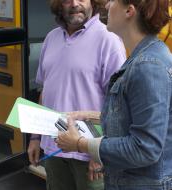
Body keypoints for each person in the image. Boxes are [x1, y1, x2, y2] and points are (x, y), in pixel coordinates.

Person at [56, 0, 172, 190]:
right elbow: (135, 118)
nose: (107, 6)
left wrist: (79, 144)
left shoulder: (147, 66)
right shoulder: (143, 58)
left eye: (113, 1)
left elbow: (145, 148)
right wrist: (89, 116)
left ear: (129, 11)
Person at [27, 0, 126, 189]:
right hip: (54, 150)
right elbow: (45, 91)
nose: (74, 4)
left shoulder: (108, 39)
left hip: (89, 153)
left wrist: (99, 153)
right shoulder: (51, 38)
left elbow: (118, 104)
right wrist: (35, 138)